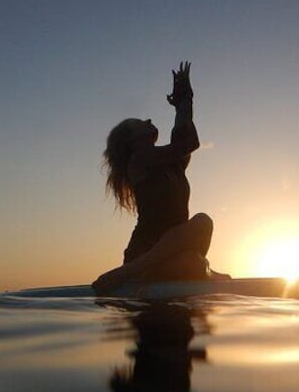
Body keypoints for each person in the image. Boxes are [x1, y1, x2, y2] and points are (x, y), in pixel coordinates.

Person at [92, 62, 224, 295]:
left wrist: (184, 104)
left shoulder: (172, 166)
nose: (149, 120)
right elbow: (187, 144)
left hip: (172, 253)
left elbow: (182, 140)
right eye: (140, 123)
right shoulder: (138, 159)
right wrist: (184, 102)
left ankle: (206, 271)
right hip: (143, 254)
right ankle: (127, 272)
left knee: (194, 261)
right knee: (202, 221)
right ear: (132, 141)